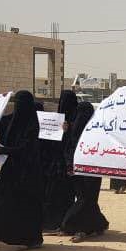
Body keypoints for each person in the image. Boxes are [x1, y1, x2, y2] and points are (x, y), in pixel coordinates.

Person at [0, 90, 44, 250]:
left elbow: (26, 149)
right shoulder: (10, 121)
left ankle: (30, 238)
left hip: (28, 172)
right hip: (11, 171)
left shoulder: (35, 125)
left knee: (26, 207)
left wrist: (2, 150)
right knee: (0, 204)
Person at [62, 102, 109, 241]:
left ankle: (79, 228)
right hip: (79, 169)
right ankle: (97, 225)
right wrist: (70, 165)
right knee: (85, 198)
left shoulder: (99, 128)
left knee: (88, 199)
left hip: (93, 169)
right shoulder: (72, 129)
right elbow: (68, 148)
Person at [42, 90, 81, 234]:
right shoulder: (54, 120)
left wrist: (68, 131)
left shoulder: (77, 121)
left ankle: (64, 223)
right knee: (58, 195)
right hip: (59, 165)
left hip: (64, 165)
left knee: (63, 195)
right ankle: (56, 223)